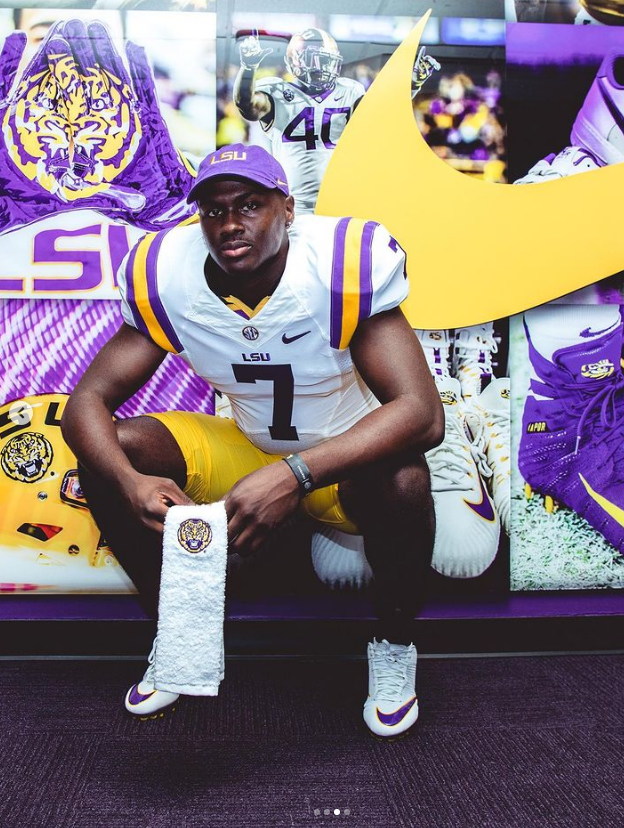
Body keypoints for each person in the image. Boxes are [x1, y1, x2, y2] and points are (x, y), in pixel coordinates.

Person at [61, 143, 444, 738]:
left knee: (405, 478)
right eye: (214, 211)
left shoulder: (337, 266)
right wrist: (129, 482)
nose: (230, 224)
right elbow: (86, 402)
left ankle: (394, 644)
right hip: (249, 446)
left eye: (249, 205)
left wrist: (294, 474)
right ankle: (179, 633)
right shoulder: (169, 274)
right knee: (117, 450)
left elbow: (421, 413)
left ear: (287, 209)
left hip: (343, 460)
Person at [233, 28, 439, 213]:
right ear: (296, 60)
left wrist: (412, 83)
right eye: (316, 60)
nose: (324, 68)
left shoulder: (348, 90)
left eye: (328, 61)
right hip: (293, 205)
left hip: (341, 199)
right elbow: (247, 105)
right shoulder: (278, 91)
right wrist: (248, 68)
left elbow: (380, 113)